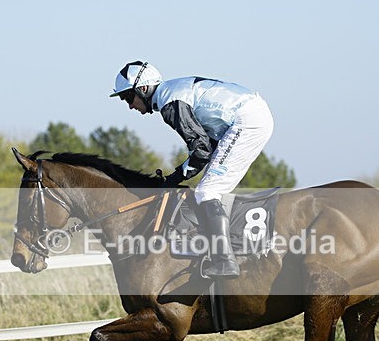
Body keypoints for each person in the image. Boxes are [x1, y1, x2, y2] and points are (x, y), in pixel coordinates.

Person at [110, 61, 274, 278]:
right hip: (248, 114)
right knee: (209, 188)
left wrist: (173, 179)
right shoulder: (170, 93)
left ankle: (225, 261)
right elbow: (205, 148)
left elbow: (201, 152)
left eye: (128, 98)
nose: (130, 106)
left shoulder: (170, 103)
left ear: (143, 89)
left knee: (207, 191)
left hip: (246, 120)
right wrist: (177, 176)